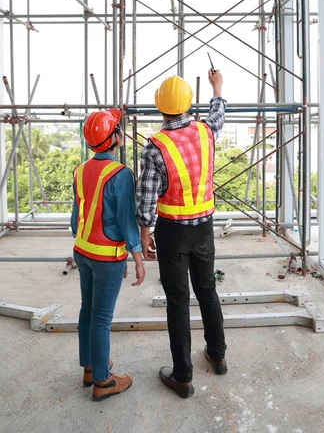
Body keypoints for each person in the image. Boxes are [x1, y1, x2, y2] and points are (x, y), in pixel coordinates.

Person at [136, 70, 227, 399]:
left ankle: (183, 377)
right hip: (203, 229)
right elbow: (218, 113)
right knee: (207, 291)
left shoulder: (155, 148)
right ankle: (217, 355)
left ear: (160, 107)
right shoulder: (206, 132)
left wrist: (145, 235)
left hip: (172, 232)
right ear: (189, 104)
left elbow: (146, 200)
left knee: (177, 302)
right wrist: (217, 87)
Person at [71, 108, 145, 402]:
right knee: (101, 318)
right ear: (114, 139)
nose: (121, 132)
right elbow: (128, 222)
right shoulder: (121, 174)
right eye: (118, 128)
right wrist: (136, 257)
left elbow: (75, 218)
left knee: (87, 310)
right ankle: (102, 382)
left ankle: (91, 367)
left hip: (82, 251)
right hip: (105, 258)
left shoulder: (80, 170)